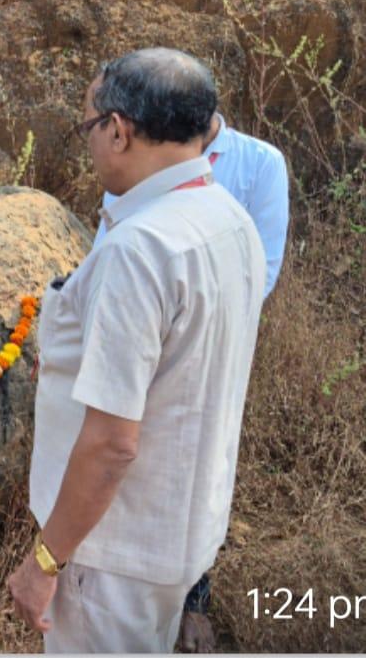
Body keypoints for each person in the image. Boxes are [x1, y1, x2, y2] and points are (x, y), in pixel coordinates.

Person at [6, 48, 266, 652]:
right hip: (182, 526)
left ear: (118, 130)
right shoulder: (229, 220)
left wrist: (45, 561)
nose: (90, 144)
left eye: (88, 128)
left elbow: (112, 443)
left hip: (111, 553)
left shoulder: (140, 250)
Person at [95, 109, 289, 651]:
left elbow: (261, 269)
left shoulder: (259, 163)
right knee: (129, 462)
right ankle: (134, 600)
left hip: (205, 346)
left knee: (197, 466)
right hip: (133, 342)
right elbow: (106, 246)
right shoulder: (138, 159)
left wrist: (183, 326)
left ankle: (193, 601)